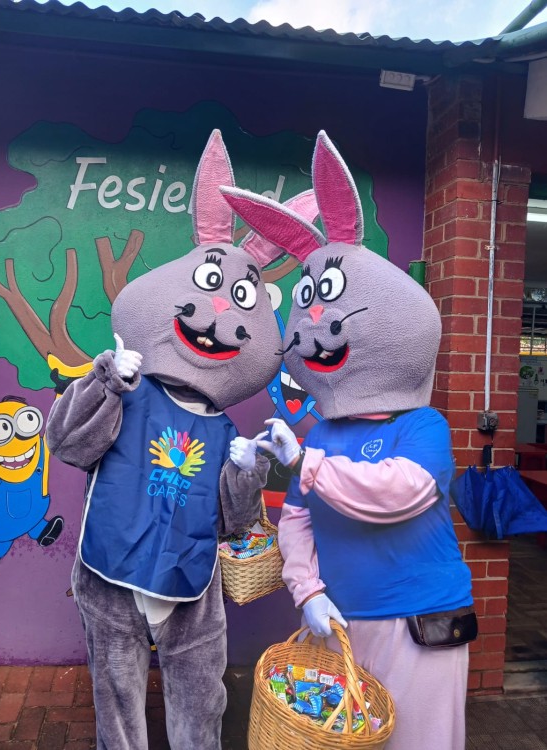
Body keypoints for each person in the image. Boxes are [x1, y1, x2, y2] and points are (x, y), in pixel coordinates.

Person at [220, 130, 475, 750]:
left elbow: (400, 493)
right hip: (341, 621)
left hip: (420, 621)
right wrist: (306, 590)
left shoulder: (422, 426)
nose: (312, 321)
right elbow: (297, 522)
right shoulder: (326, 431)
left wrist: (307, 463)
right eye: (305, 304)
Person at [46, 130, 298, 750]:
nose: (217, 319)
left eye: (240, 303)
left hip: (191, 589)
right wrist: (103, 382)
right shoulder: (128, 390)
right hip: (111, 575)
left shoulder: (223, 430)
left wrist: (247, 471)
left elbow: (234, 524)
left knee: (200, 707)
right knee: (117, 704)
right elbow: (67, 443)